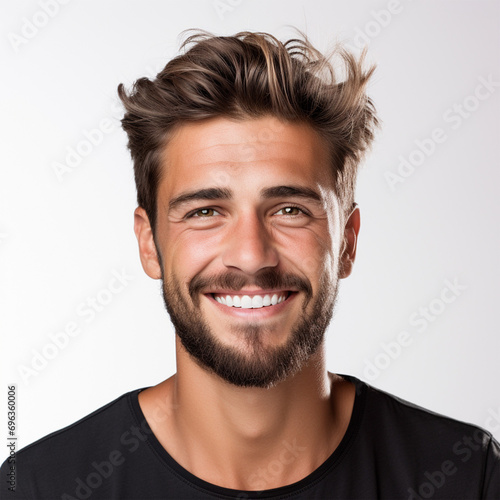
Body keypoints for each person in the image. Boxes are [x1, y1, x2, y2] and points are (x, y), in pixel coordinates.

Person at [1, 29, 499, 500]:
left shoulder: (465, 477)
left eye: (289, 210)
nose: (250, 255)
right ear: (149, 243)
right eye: (205, 212)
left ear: (346, 240)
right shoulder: (43, 487)